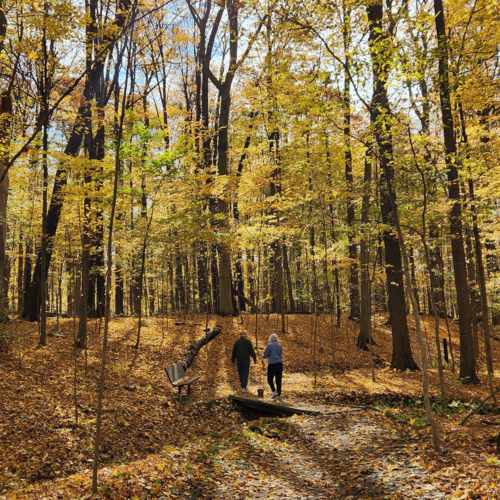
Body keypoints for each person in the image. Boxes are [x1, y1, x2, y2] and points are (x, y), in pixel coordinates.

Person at [261, 333, 283, 400]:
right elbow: (281, 353)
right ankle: (278, 394)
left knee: (269, 379)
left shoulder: (269, 346)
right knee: (278, 379)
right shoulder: (280, 345)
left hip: (272, 364)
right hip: (279, 364)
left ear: (270, 339)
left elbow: (265, 355)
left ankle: (274, 391)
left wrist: (262, 356)